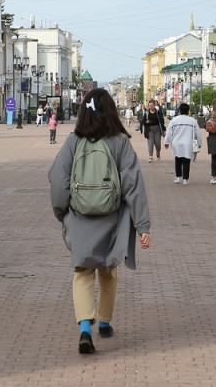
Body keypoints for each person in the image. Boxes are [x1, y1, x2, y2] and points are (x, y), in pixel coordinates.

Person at [48, 88, 151, 355]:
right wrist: (143, 225)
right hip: (113, 216)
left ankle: (85, 328)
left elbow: (58, 180)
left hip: (79, 215)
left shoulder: (73, 141)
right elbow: (134, 185)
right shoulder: (120, 142)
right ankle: (104, 322)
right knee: (108, 269)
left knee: (82, 272)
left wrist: (63, 212)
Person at [162, 102, 202, 185]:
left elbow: (169, 131)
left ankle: (177, 177)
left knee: (178, 160)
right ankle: (185, 179)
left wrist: (166, 142)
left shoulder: (174, 120)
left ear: (179, 110)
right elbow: (198, 133)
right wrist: (199, 142)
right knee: (186, 160)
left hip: (176, 143)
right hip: (188, 143)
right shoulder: (192, 120)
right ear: (188, 111)